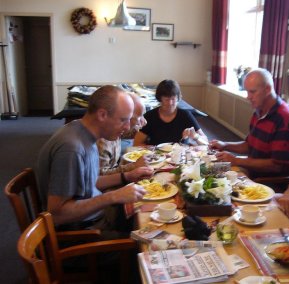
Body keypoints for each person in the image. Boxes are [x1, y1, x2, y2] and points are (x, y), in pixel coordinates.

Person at [36, 85, 154, 238]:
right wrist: (113, 196)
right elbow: (57, 214)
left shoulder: (83, 132)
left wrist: (127, 176)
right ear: (102, 114)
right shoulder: (72, 149)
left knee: (148, 214)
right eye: (123, 120)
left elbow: (90, 182)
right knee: (146, 242)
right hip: (79, 235)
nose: (127, 127)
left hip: (93, 219)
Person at [210, 68, 289, 187]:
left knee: (217, 184)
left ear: (267, 89)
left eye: (252, 92)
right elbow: (249, 145)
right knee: (208, 170)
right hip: (250, 168)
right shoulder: (259, 111)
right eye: (247, 92)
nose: (248, 97)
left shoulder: (284, 117)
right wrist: (225, 145)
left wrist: (236, 160)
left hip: (267, 180)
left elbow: (276, 166)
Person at [134, 79, 208, 146]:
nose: (170, 103)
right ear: (160, 99)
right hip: (156, 156)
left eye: (173, 99)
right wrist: (149, 149)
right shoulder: (150, 116)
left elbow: (205, 142)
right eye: (166, 99)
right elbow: (137, 143)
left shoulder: (185, 115)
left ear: (178, 98)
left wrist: (195, 136)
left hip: (179, 156)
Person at [97, 92, 148, 176]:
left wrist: (137, 124)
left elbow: (127, 134)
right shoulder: (102, 141)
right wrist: (133, 166)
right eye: (139, 116)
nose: (145, 122)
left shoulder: (115, 129)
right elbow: (100, 176)